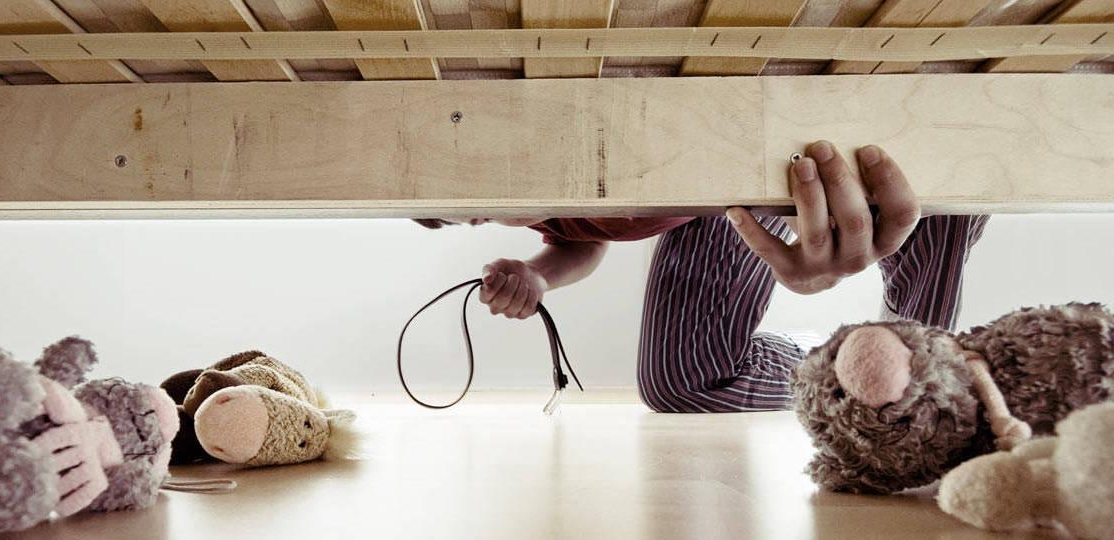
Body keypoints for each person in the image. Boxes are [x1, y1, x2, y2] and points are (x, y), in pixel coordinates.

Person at [414, 141, 988, 412]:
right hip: (715, 206)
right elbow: (581, 238)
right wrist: (539, 277)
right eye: (485, 217)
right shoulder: (548, 212)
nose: (507, 211)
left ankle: (915, 376)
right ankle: (832, 364)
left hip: (726, 154)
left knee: (917, 386)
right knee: (680, 382)